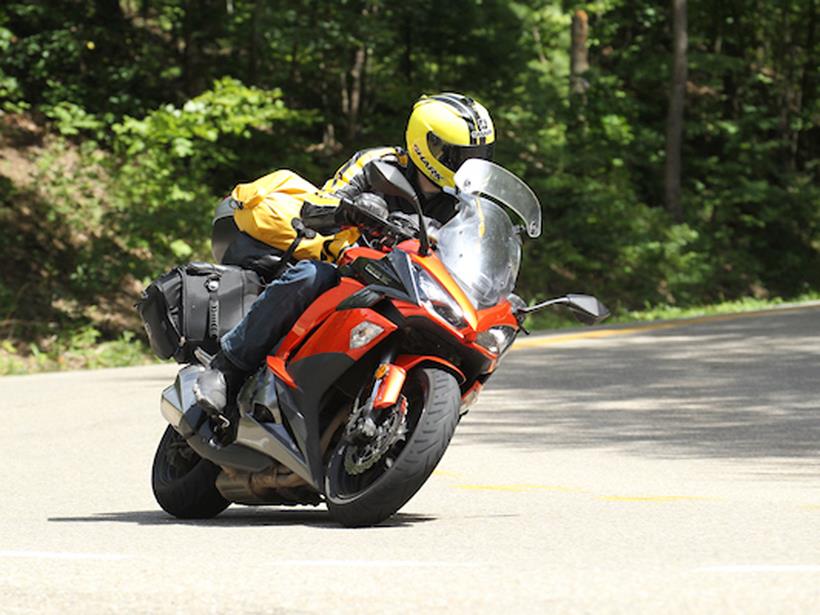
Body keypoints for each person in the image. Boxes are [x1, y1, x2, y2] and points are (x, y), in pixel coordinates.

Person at [194, 92, 496, 419]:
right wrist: (354, 211)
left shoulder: (468, 206)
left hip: (415, 286)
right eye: (457, 154)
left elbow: (472, 259)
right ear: (427, 145)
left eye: (478, 155)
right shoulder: (379, 163)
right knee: (310, 276)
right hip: (352, 268)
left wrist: (493, 287)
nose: (468, 164)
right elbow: (318, 205)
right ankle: (227, 369)